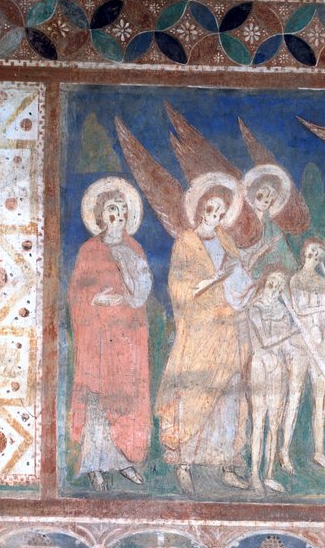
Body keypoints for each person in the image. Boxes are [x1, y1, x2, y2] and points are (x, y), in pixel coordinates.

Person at [154, 173, 256, 496]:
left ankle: (227, 464)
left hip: (227, 326)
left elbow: (239, 276)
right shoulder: (186, 242)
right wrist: (209, 283)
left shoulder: (225, 240)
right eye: (211, 209)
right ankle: (185, 463)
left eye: (221, 211)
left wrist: (238, 281)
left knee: (229, 394)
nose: (216, 216)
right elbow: (178, 287)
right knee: (195, 392)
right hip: (198, 329)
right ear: (199, 209)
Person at [69, 179, 153, 492]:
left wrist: (127, 299)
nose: (116, 215)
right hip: (97, 340)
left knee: (125, 400)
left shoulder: (134, 248)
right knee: (96, 401)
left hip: (127, 339)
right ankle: (94, 465)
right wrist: (95, 300)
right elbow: (76, 293)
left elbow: (141, 292)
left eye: (120, 209)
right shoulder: (89, 251)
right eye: (110, 210)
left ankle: (123, 461)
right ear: (101, 216)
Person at [283, 240, 325, 472]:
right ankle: (284, 451)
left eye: (318, 256)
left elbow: (323, 319)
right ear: (304, 254)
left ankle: (318, 452)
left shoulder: (321, 282)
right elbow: (300, 310)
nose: (315, 259)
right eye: (312, 254)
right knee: (295, 395)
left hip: (319, 342)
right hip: (300, 343)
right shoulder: (295, 280)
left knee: (320, 399)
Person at [247, 270, 295, 493]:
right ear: (266, 282)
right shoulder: (255, 307)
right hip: (260, 365)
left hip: (278, 368)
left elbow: (285, 347)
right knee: (258, 422)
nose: (274, 286)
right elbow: (265, 340)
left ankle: (268, 474)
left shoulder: (283, 311)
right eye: (271, 282)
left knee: (274, 425)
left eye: (278, 284)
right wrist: (291, 333)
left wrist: (289, 353)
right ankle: (254, 474)